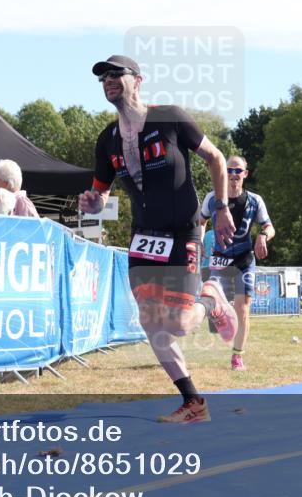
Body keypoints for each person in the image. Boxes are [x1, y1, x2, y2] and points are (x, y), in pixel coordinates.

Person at [79, 54, 237, 424]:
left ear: (138, 80)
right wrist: (93, 201)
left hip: (182, 228)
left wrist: (222, 207)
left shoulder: (169, 117)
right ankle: (194, 402)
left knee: (180, 323)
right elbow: (100, 193)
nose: (108, 81)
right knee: (151, 321)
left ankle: (210, 296)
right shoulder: (107, 139)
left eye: (115, 74)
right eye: (102, 77)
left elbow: (214, 158)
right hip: (143, 236)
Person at [200, 155, 276, 372]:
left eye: (238, 171)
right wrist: (198, 239)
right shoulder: (212, 198)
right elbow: (201, 220)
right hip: (220, 259)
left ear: (245, 174)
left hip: (244, 259)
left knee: (243, 309)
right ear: (224, 172)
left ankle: (237, 357)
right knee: (211, 305)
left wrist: (263, 236)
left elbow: (269, 226)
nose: (233, 175)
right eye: (229, 170)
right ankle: (223, 312)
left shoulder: (255, 200)